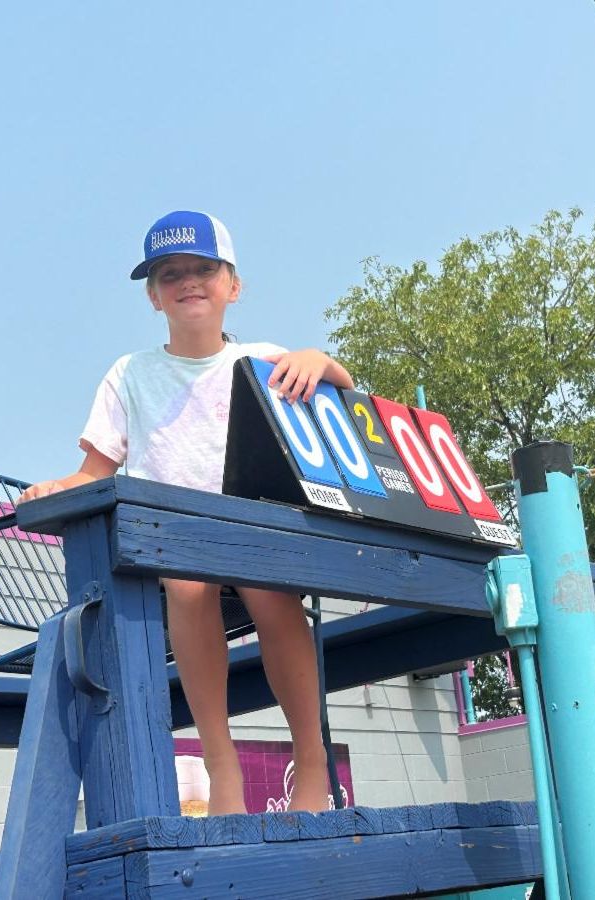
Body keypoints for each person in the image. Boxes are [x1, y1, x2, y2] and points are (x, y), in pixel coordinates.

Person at [19, 210, 354, 815]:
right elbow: (94, 472)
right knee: (186, 581)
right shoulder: (129, 374)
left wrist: (320, 359)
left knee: (269, 587)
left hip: (254, 538)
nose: (188, 281)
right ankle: (220, 761)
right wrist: (56, 487)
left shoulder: (264, 359)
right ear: (153, 296)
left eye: (204, 268)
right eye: (171, 273)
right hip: (173, 546)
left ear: (234, 284)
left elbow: (342, 401)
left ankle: (310, 757)